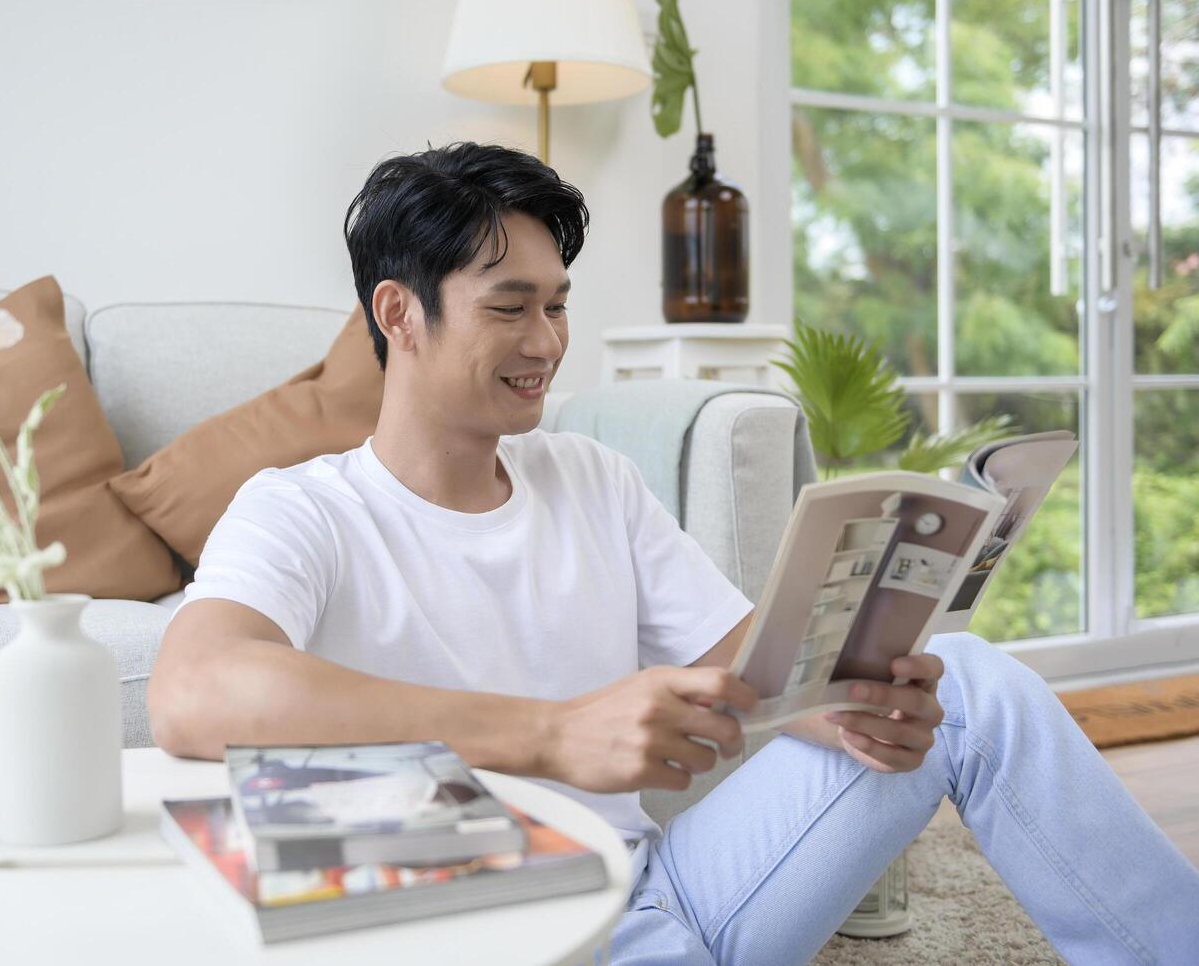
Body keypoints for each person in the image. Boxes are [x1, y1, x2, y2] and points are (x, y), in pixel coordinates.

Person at [148, 141, 1199, 964]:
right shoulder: (303, 511)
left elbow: (754, 671)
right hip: (488, 915)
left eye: (558, 304)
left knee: (969, 679)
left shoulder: (590, 476)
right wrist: (549, 735)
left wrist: (850, 693)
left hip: (671, 884)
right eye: (510, 306)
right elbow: (193, 692)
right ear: (399, 315)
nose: (548, 341)